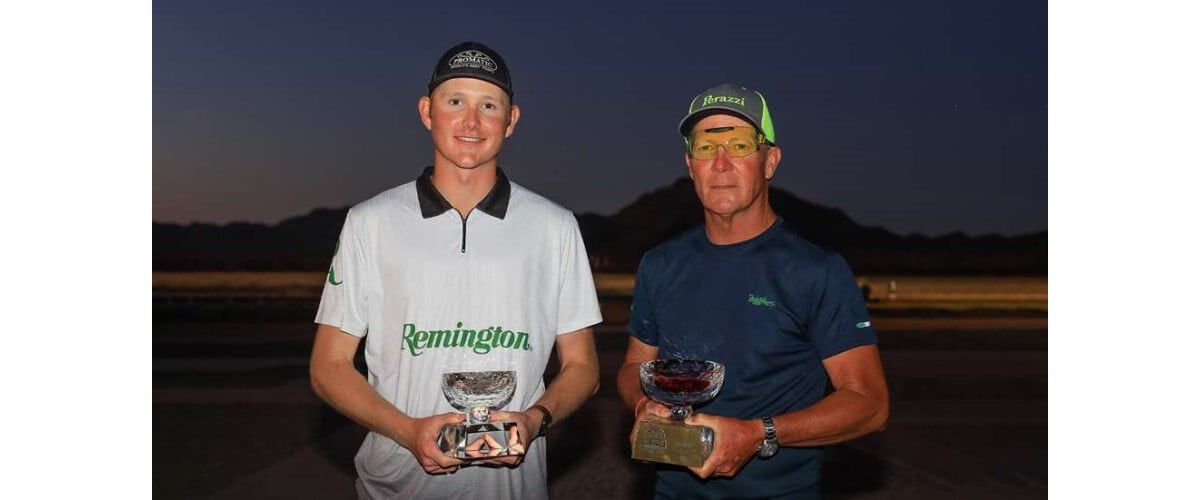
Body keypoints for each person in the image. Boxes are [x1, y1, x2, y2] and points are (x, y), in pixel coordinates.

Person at [309, 41, 602, 499]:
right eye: (455, 102)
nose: (471, 122)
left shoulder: (555, 226)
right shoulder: (370, 221)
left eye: (489, 105)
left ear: (512, 120)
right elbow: (328, 366)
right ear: (428, 112)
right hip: (395, 488)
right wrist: (408, 430)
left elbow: (583, 365)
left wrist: (534, 418)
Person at [616, 83, 889, 499]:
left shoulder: (815, 270)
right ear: (690, 165)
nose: (721, 164)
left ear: (770, 161)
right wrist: (643, 404)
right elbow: (635, 366)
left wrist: (756, 433)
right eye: (706, 148)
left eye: (740, 145)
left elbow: (869, 404)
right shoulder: (660, 264)